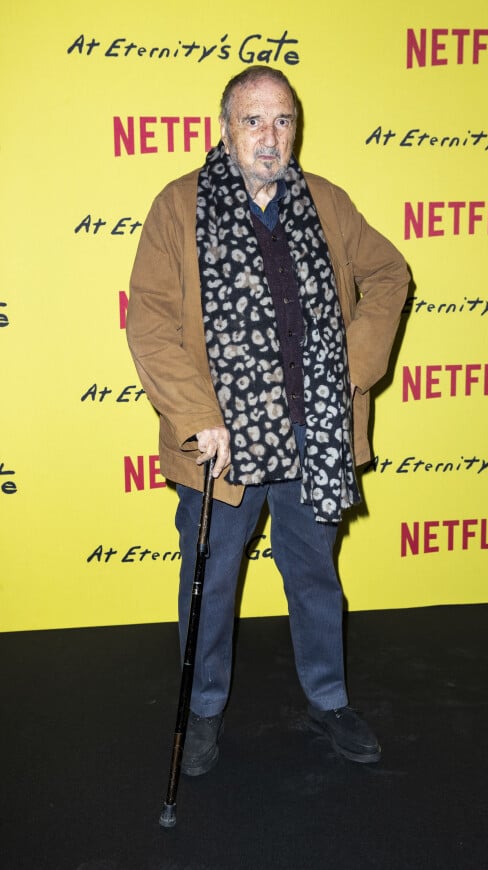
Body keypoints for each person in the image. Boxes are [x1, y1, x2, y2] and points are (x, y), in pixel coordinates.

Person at [127, 65, 409, 775]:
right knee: (212, 578)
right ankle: (204, 708)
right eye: (253, 119)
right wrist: (197, 416)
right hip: (222, 438)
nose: (269, 136)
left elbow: (389, 274)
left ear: (296, 129)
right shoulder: (178, 206)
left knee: (314, 574)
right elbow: (152, 324)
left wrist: (354, 365)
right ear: (224, 128)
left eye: (282, 120)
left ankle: (329, 698)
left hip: (315, 431)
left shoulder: (327, 203)